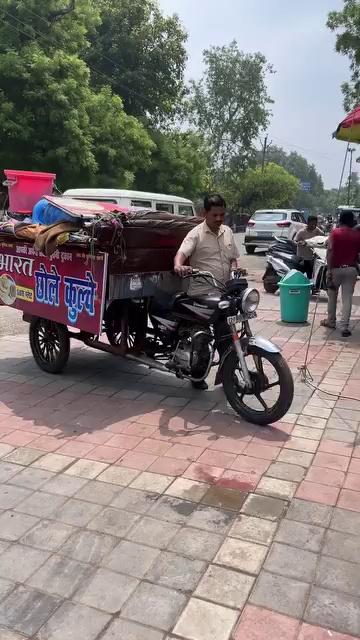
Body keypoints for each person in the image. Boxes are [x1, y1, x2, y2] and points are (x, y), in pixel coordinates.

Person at [174, 193, 240, 389]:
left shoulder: (227, 231)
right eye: (215, 215)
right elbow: (181, 253)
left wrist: (236, 267)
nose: (220, 219)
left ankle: (228, 375)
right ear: (205, 213)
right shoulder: (196, 233)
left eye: (222, 215)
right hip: (202, 294)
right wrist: (179, 266)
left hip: (223, 292)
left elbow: (233, 257)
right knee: (202, 337)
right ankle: (197, 375)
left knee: (226, 336)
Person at [320, 210, 360, 337]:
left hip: (335, 269)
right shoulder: (357, 235)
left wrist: (329, 271)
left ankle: (331, 321)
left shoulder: (334, 233)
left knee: (332, 294)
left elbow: (330, 252)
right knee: (347, 298)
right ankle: (344, 327)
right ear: (351, 220)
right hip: (351, 270)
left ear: (340, 220)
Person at [294, 216, 324, 280]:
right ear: (308, 223)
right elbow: (295, 241)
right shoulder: (301, 232)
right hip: (303, 256)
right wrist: (301, 242)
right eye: (312, 224)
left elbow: (323, 236)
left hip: (312, 255)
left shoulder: (317, 230)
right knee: (303, 272)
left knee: (312, 272)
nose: (313, 225)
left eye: (315, 224)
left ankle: (311, 284)